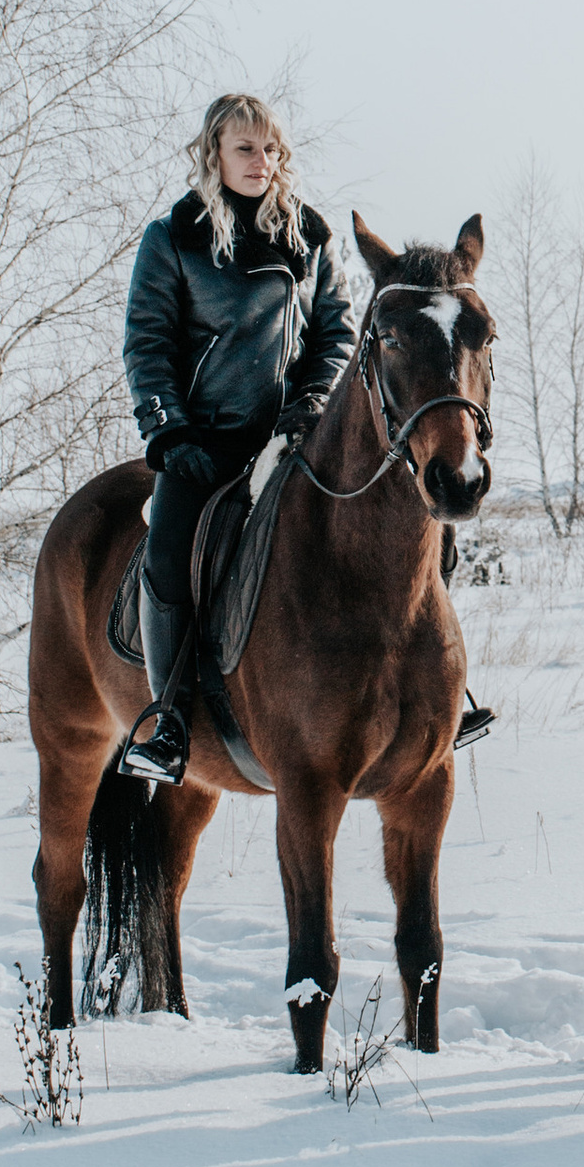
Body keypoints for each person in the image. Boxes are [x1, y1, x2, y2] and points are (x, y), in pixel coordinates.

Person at [119, 93, 355, 782]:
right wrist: (168, 433)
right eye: (246, 148)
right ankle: (167, 722)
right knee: (168, 550)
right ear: (214, 153)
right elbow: (147, 343)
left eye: (271, 149)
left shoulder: (310, 235)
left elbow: (336, 334)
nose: (261, 162)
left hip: (295, 440)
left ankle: (427, 699)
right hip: (205, 445)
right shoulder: (173, 237)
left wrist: (311, 405)